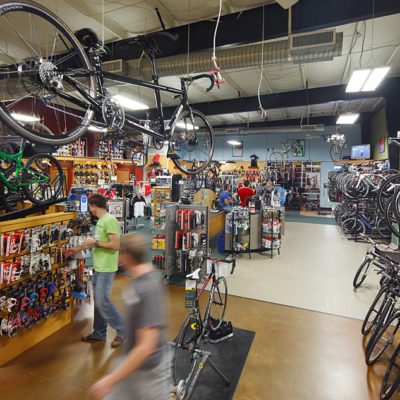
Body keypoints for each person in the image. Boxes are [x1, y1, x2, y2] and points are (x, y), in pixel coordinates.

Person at [90, 232, 169, 400]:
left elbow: (146, 346)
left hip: (148, 372)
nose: (117, 258)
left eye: (120, 253)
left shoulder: (147, 288)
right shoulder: (138, 280)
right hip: (133, 365)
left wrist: (110, 380)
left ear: (127, 256)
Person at [66, 193, 125, 348]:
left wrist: (96, 242)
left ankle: (123, 329)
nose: (89, 210)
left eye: (90, 207)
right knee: (99, 302)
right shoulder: (100, 222)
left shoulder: (110, 221)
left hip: (107, 268)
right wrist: (76, 249)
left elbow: (115, 245)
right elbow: (93, 244)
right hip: (99, 267)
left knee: (102, 301)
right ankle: (99, 333)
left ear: (93, 205)